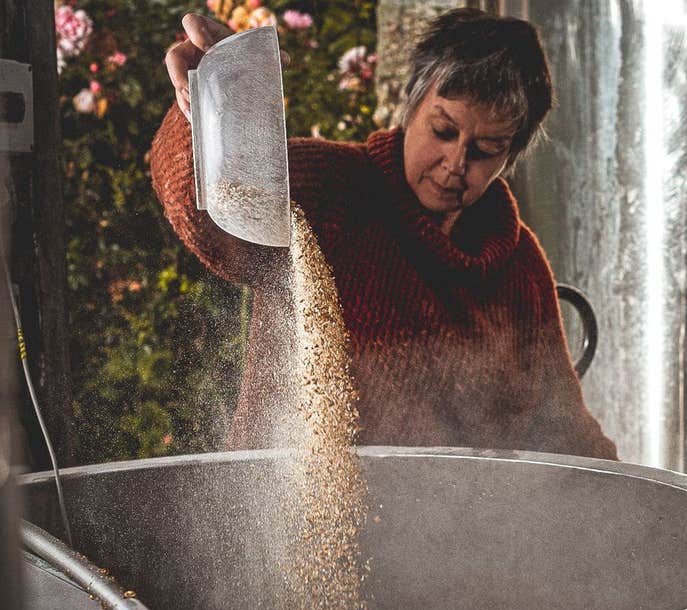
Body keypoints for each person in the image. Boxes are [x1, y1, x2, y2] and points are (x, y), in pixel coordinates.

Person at [151, 8, 616, 460]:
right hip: (290, 520)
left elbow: (564, 434)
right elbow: (207, 209)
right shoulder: (332, 194)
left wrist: (639, 510)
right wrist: (210, 105)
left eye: (486, 149)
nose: (455, 164)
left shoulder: (518, 269)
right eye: (442, 130)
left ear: (511, 155)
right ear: (410, 107)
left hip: (448, 531)